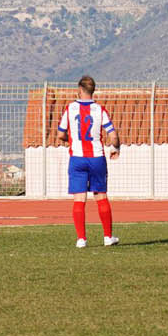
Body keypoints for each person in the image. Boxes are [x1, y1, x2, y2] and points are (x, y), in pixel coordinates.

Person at [53, 75, 119, 248]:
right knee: (101, 196)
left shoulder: (70, 108)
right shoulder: (100, 110)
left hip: (77, 158)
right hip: (97, 158)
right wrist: (115, 148)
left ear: (80, 90)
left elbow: (60, 134)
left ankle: (81, 239)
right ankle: (107, 237)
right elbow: (113, 135)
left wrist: (71, 140)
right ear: (93, 91)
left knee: (79, 199)